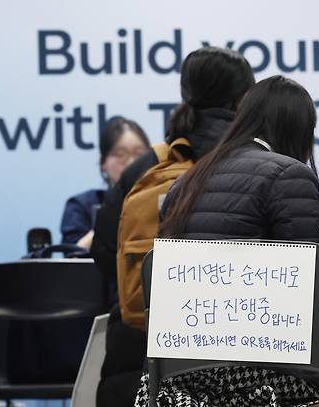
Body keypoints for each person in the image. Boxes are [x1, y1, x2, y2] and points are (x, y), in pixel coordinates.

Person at [135, 76, 319, 407]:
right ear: (299, 128)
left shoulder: (185, 181)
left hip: (174, 377)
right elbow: (314, 282)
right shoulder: (290, 175)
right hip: (255, 370)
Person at [92, 46, 255, 407]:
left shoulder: (147, 167)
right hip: (233, 366)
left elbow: (104, 252)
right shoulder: (259, 164)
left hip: (136, 362)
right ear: (243, 99)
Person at [60, 116, 149, 248]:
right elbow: (72, 256)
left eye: (139, 154)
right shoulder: (81, 205)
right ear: (103, 162)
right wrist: (113, 217)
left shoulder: (162, 201)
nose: (132, 163)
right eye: (121, 154)